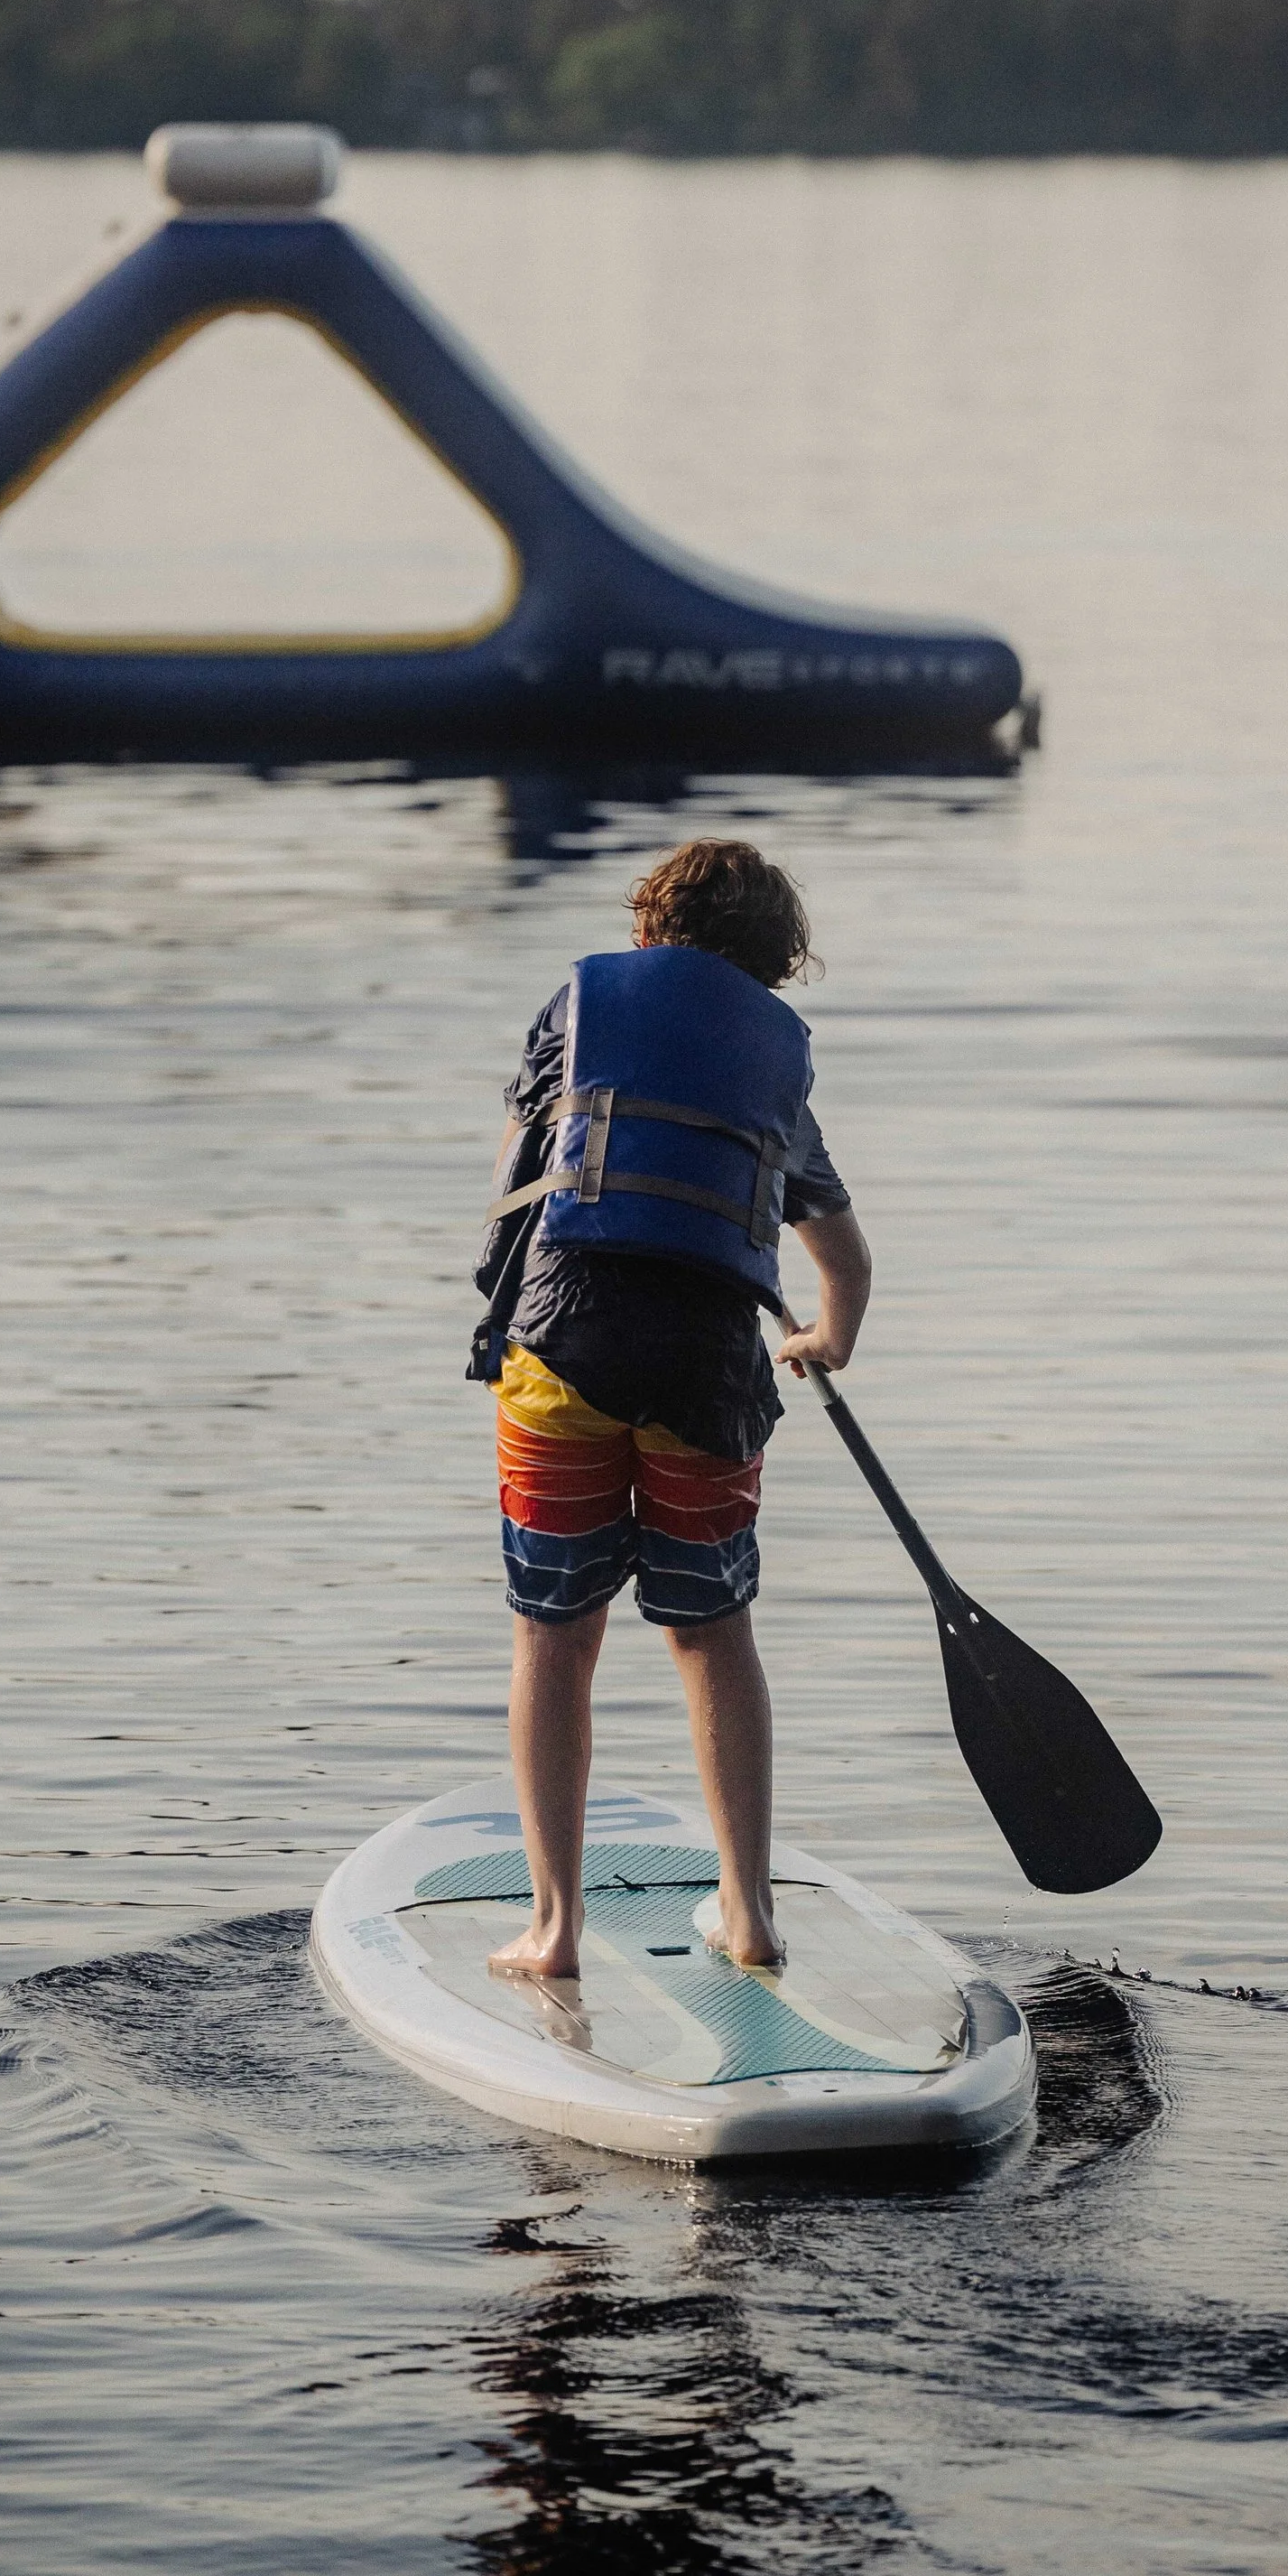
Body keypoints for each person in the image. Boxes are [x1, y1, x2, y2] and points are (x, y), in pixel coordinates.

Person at [469, 839, 872, 1981]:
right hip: (707, 1376)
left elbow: (513, 1178)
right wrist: (821, 1336)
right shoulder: (773, 1066)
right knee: (710, 1635)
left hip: (561, 1358)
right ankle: (745, 1914)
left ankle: (553, 1931)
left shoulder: (579, 1007)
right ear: (773, 965)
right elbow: (841, 1260)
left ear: (648, 932)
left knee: (556, 1633)